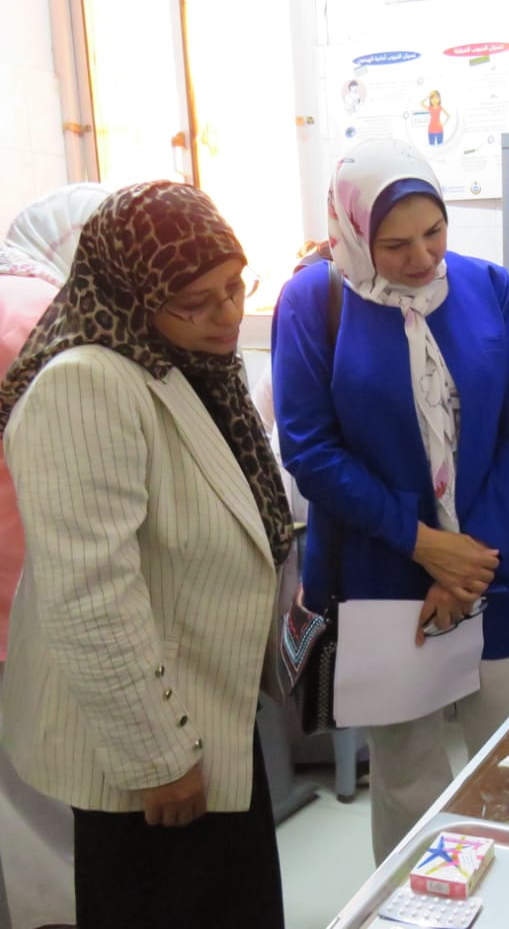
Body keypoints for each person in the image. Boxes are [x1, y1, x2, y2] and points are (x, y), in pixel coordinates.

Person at [0, 181, 291, 928]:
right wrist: (158, 758)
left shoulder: (185, 362)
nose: (229, 314)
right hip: (153, 750)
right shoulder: (85, 386)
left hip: (212, 713)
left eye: (236, 286)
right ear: (131, 294)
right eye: (197, 301)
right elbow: (90, 598)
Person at [272, 138, 509, 864]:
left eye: (435, 232)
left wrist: (469, 559)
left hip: (492, 567)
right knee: (408, 777)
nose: (423, 257)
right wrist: (427, 546)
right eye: (394, 245)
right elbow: (309, 449)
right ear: (355, 232)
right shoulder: (314, 300)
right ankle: (417, 906)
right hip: (382, 574)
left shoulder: (485, 285)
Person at [0, 182, 109, 929]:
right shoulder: (47, 313)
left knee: (23, 804)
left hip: (20, 589)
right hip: (40, 586)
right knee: (64, 797)